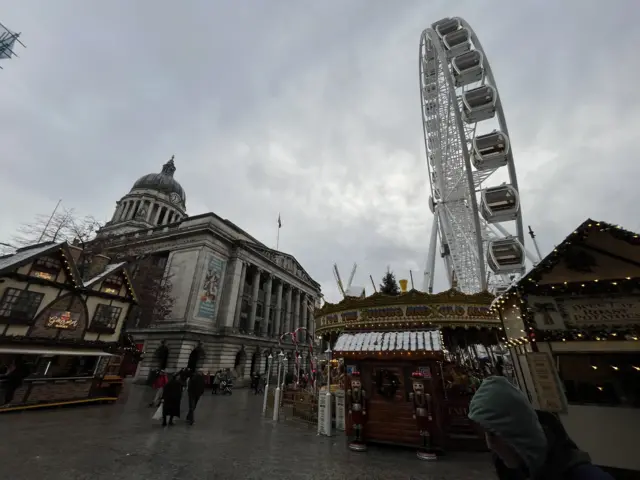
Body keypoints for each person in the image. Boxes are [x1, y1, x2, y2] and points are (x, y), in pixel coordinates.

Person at [468, 376, 613, 480]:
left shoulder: (582, 475)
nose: (489, 445)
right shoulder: (513, 470)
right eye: (486, 434)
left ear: (514, 431)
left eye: (493, 434)